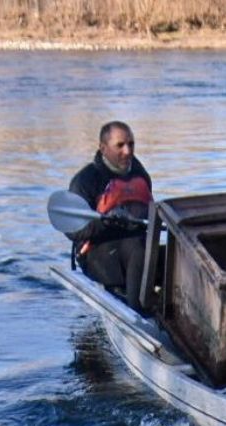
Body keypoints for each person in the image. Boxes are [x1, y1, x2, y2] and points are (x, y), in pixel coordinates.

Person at [65, 120, 153, 311]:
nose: (127, 151)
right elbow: (72, 229)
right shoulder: (85, 180)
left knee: (164, 251)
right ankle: (137, 310)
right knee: (137, 249)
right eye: (120, 145)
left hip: (135, 247)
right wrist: (106, 222)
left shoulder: (140, 175)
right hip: (97, 253)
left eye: (131, 144)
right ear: (103, 148)